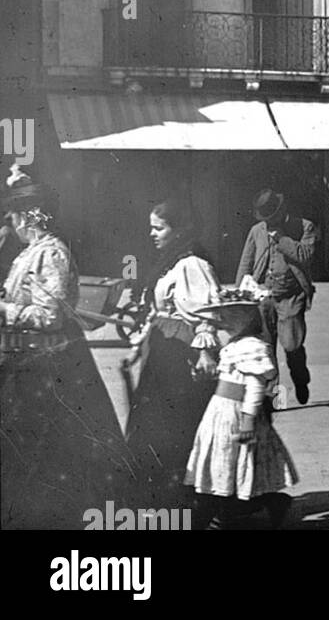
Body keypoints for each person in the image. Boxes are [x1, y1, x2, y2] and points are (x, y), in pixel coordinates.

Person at [0, 167, 132, 529]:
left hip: (50, 369)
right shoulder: (29, 254)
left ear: (28, 216)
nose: (10, 225)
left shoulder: (52, 253)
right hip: (26, 363)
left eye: (13, 217)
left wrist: (4, 309)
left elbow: (51, 315)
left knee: (46, 454)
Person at [123, 197, 223, 510]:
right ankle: (160, 501)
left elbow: (208, 313)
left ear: (178, 229)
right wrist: (140, 347)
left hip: (181, 359)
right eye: (151, 227)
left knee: (174, 430)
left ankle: (181, 503)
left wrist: (206, 354)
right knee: (152, 429)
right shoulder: (171, 259)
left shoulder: (192, 264)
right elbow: (160, 312)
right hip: (162, 356)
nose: (152, 234)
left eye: (159, 228)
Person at [185, 289, 297, 530]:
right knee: (224, 461)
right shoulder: (233, 344)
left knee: (238, 461)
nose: (222, 322)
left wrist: (248, 420)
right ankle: (244, 508)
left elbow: (256, 386)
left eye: (228, 316)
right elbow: (229, 375)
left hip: (237, 413)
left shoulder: (252, 346)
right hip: (220, 411)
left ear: (244, 317)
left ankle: (229, 515)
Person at [236, 190, 316, 406]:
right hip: (263, 295)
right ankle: (274, 399)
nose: (268, 222)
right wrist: (239, 293)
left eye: (272, 217)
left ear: (281, 211)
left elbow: (305, 255)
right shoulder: (256, 231)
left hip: (290, 296)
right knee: (266, 348)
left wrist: (281, 238)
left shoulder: (304, 227)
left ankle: (300, 379)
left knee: (291, 345)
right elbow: (246, 262)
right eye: (265, 219)